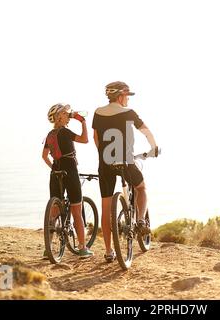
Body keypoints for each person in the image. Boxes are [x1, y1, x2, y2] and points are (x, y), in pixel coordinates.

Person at [92, 81, 158, 262]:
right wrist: (154, 148)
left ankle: (108, 251)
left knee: (106, 207)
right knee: (141, 188)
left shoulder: (98, 112)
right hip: (126, 162)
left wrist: (104, 156)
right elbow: (147, 132)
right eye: (127, 96)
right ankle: (141, 221)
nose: (128, 99)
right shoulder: (128, 113)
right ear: (120, 96)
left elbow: (96, 138)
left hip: (105, 164)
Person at [42, 103, 94, 258]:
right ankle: (83, 248)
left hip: (55, 173)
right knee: (77, 210)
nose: (68, 115)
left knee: (54, 211)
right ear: (58, 117)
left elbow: (44, 156)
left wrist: (54, 167)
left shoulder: (50, 135)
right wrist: (83, 122)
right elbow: (85, 140)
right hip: (70, 172)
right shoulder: (65, 132)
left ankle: (48, 249)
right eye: (65, 113)